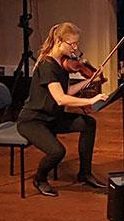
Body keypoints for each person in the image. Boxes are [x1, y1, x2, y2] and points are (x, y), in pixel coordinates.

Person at [17, 22, 108, 197]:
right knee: (57, 151)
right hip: (33, 120)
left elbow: (66, 91)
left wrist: (91, 81)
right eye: (72, 44)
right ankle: (40, 178)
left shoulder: (61, 63)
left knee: (89, 124)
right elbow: (60, 98)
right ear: (59, 41)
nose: (75, 48)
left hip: (52, 117)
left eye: (76, 43)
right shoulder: (47, 65)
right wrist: (90, 99)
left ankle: (85, 173)